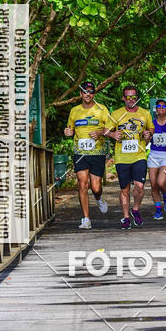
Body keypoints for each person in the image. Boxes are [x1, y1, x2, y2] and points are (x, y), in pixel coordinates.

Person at [104, 85, 153, 229]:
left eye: (133, 97)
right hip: (122, 157)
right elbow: (105, 130)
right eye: (128, 97)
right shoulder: (117, 113)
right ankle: (125, 217)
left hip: (139, 155)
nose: (131, 99)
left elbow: (151, 130)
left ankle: (135, 209)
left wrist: (148, 134)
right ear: (123, 98)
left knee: (139, 186)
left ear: (137, 97)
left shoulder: (145, 113)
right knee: (124, 189)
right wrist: (112, 134)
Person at [63, 80, 109, 229]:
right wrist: (68, 132)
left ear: (94, 94)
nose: (88, 94)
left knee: (95, 187)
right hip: (80, 152)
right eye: (85, 91)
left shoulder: (102, 109)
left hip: (97, 152)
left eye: (90, 91)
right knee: (83, 184)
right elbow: (70, 130)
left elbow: (109, 129)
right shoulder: (74, 111)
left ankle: (99, 197)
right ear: (80, 94)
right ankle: (86, 219)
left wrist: (100, 132)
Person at [148, 99, 166, 220]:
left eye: (164, 106)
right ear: (156, 109)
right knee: (153, 185)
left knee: (160, 182)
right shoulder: (151, 124)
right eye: (158, 106)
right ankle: (158, 210)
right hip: (154, 154)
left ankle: (165, 195)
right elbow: (146, 140)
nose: (161, 108)